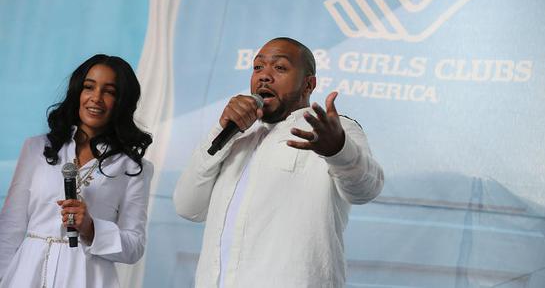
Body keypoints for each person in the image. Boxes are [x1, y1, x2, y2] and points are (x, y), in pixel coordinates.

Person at [173, 37, 384, 287]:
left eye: (280, 68)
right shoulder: (236, 136)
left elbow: (366, 190)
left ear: (309, 84)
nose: (264, 76)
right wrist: (221, 129)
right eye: (258, 67)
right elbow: (188, 207)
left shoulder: (333, 129)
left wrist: (337, 150)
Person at [0, 54, 154, 288]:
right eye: (89, 87)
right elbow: (11, 227)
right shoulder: (37, 149)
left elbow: (134, 246)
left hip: (87, 277)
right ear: (77, 93)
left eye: (109, 91)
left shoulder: (132, 168)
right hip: (28, 274)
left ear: (122, 101)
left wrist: (91, 228)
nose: (96, 98)